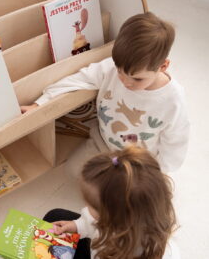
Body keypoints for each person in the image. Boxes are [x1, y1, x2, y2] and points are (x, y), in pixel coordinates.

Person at [21, 12, 189, 174]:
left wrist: (159, 170)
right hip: (104, 143)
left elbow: (176, 141)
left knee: (126, 194)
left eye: (137, 79)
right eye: (120, 72)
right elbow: (78, 79)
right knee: (74, 172)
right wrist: (40, 104)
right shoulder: (110, 68)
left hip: (139, 160)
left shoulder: (172, 100)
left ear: (163, 67)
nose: (125, 82)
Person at [44, 146, 181, 259]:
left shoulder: (154, 252)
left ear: (113, 219)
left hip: (103, 250)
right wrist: (77, 226)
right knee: (55, 216)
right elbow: (94, 223)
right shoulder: (128, 219)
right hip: (100, 244)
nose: (85, 208)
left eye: (92, 206)